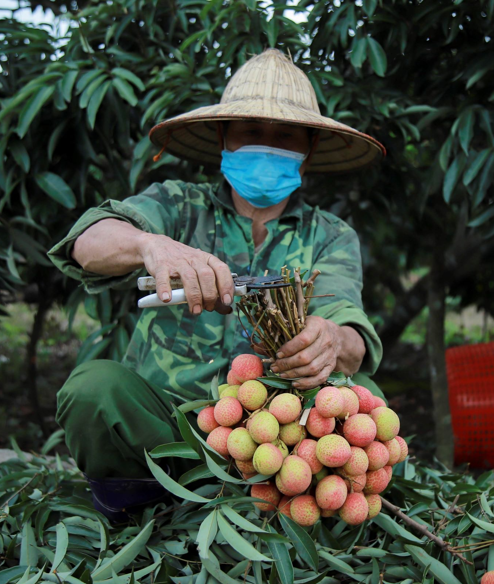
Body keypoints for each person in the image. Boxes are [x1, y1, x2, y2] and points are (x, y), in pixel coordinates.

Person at [48, 49, 386, 521]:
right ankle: (134, 509)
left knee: (367, 397)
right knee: (94, 387)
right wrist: (150, 245)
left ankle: (292, 512)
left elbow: (348, 326)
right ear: (223, 138)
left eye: (285, 135)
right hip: (163, 433)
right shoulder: (176, 204)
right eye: (250, 131)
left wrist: (330, 340)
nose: (266, 144)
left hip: (279, 445)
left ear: (306, 152)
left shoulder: (329, 235)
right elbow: (88, 242)